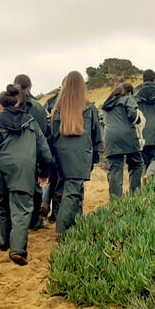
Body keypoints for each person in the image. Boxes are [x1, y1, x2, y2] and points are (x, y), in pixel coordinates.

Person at [0, 85, 52, 266]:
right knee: (22, 209)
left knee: (2, 204)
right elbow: (44, 150)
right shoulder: (30, 122)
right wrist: (44, 172)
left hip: (2, 168)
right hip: (25, 169)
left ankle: (4, 241)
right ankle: (17, 249)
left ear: (0, 105)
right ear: (17, 102)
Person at [48, 71, 101, 235]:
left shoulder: (56, 109)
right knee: (72, 192)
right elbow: (96, 136)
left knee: (65, 190)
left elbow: (52, 135)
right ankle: (62, 232)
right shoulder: (90, 108)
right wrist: (94, 156)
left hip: (60, 155)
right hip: (80, 156)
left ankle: (76, 226)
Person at [13, 74, 50, 230]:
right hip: (31, 153)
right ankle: (34, 222)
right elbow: (43, 133)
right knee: (34, 189)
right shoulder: (37, 107)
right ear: (29, 87)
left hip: (9, 154)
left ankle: (12, 222)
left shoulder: (4, 103)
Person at [101, 82, 144, 199]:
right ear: (129, 92)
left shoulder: (106, 104)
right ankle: (135, 196)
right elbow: (132, 115)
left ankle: (116, 201)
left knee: (115, 169)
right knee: (136, 164)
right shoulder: (127, 99)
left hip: (110, 138)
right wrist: (139, 119)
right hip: (128, 136)